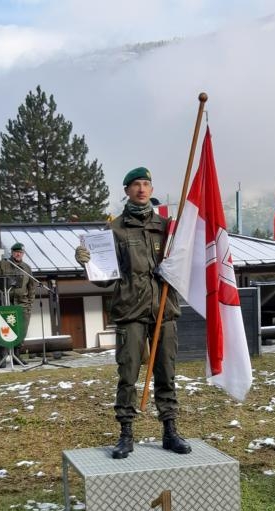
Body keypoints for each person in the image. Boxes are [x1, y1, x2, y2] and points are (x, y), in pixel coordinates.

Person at [75, 167, 190, 459]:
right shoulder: (114, 231)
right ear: (127, 190)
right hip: (131, 311)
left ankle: (170, 431)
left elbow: (184, 264)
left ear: (151, 190)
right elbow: (104, 278)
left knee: (167, 372)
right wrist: (87, 262)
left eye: (146, 184)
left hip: (163, 309)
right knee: (127, 374)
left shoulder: (168, 228)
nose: (142, 189)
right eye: (136, 184)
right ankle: (126, 433)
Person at [0, 242, 35, 358]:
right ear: (12, 253)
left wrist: (30, 302)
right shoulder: (3, 264)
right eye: (16, 252)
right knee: (5, 329)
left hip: (22, 303)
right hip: (6, 302)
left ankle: (17, 355)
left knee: (22, 329)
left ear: (23, 254)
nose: (18, 254)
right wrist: (1, 290)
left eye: (20, 252)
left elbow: (32, 287)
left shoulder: (26, 268)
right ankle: (3, 355)